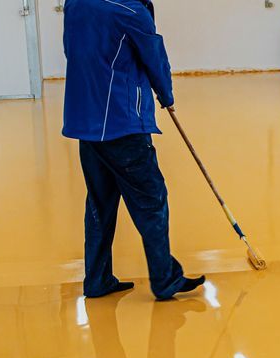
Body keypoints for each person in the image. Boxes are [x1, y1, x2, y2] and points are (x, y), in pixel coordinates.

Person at [62, 0, 204, 300]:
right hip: (121, 122)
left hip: (86, 121)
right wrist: (166, 95)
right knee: (152, 200)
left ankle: (97, 280)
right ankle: (165, 279)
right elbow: (154, 59)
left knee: (99, 203)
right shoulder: (130, 11)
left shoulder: (74, 3)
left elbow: (72, 51)